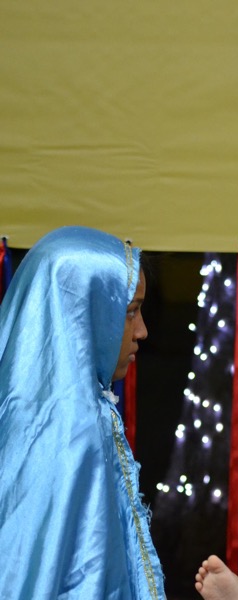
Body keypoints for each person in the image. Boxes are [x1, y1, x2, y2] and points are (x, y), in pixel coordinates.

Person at [0, 226, 164, 598]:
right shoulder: (73, 429)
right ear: (81, 314)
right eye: (130, 312)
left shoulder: (20, 411)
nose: (142, 331)